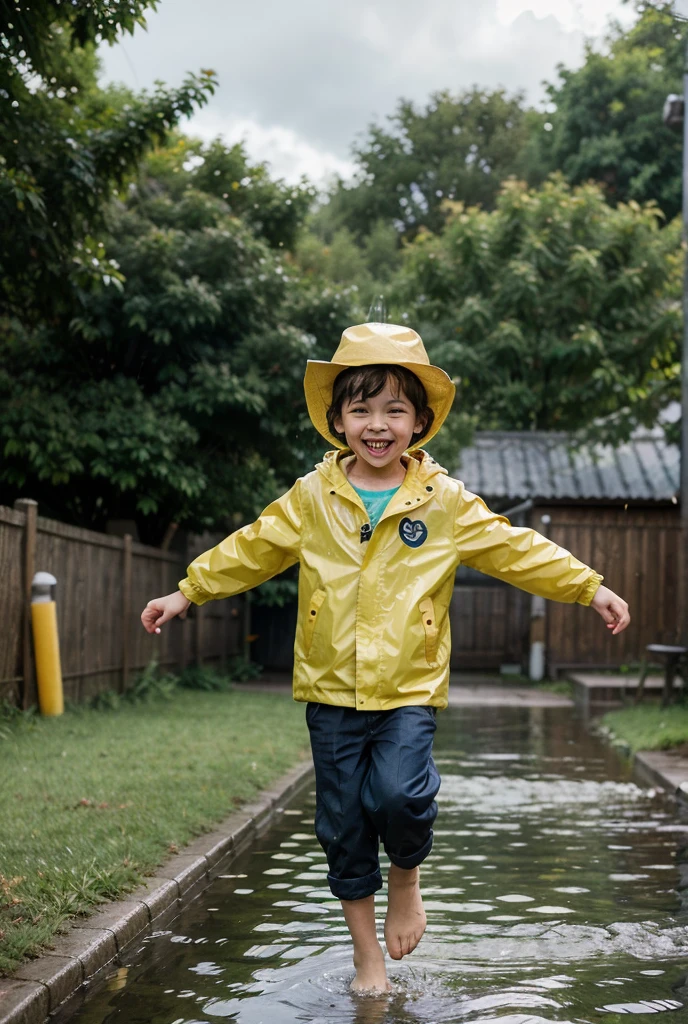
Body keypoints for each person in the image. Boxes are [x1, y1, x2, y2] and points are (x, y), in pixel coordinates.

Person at [141, 321, 630, 994]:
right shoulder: (313, 498)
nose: (378, 424)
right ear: (338, 419)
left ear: (420, 421)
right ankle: (367, 957)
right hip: (331, 689)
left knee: (400, 796)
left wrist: (588, 585)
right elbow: (251, 547)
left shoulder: (444, 502)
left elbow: (516, 548)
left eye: (394, 409)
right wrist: (188, 590)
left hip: (408, 686)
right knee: (342, 827)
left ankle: (407, 877)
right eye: (362, 408)